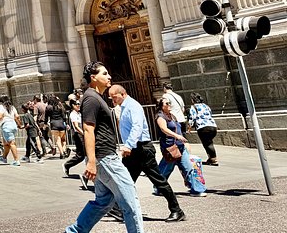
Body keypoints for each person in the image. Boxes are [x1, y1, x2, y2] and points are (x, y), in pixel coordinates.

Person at [65, 62, 144, 233]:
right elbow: (88, 129)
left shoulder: (96, 97)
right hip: (105, 158)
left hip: (104, 156)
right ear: (93, 78)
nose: (109, 76)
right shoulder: (92, 98)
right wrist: (91, 161)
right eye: (105, 73)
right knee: (131, 201)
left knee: (103, 202)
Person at [108, 85, 186, 222]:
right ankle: (117, 208)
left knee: (158, 181)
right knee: (124, 179)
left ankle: (177, 210)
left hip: (142, 149)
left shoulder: (133, 106)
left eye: (114, 97)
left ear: (123, 93)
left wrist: (128, 145)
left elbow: (137, 127)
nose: (112, 100)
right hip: (134, 150)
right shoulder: (124, 107)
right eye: (111, 97)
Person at [156, 98, 207, 197]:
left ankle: (197, 189)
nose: (170, 105)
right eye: (167, 103)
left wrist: (184, 141)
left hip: (180, 146)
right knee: (166, 169)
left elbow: (179, 129)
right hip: (170, 147)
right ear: (162, 106)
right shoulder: (160, 117)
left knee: (188, 167)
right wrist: (176, 136)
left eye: (170, 103)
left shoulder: (172, 116)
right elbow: (164, 129)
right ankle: (159, 187)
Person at [188, 93, 218, 165]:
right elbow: (210, 114)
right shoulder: (206, 106)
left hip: (203, 127)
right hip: (213, 126)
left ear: (193, 100)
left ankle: (214, 159)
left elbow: (192, 117)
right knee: (209, 142)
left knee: (207, 143)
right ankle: (210, 158)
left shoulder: (194, 107)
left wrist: (189, 127)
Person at [63, 100, 87, 188]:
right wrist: (84, 134)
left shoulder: (79, 114)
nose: (78, 105)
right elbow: (76, 127)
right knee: (82, 155)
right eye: (77, 104)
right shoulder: (73, 114)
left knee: (83, 155)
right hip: (78, 136)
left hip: (82, 134)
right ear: (73, 105)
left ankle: (86, 174)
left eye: (79, 104)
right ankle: (67, 165)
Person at [0, 94, 21, 165]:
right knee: (6, 143)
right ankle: (4, 157)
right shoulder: (12, 107)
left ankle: (16, 160)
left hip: (6, 126)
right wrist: (19, 124)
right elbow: (17, 116)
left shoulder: (1, 107)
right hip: (13, 125)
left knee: (12, 143)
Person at [46, 94, 69, 159]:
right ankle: (64, 151)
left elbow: (46, 117)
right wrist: (66, 123)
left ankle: (61, 153)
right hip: (61, 124)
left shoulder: (48, 107)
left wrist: (45, 123)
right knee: (63, 140)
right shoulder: (60, 106)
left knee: (58, 140)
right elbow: (64, 116)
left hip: (54, 124)